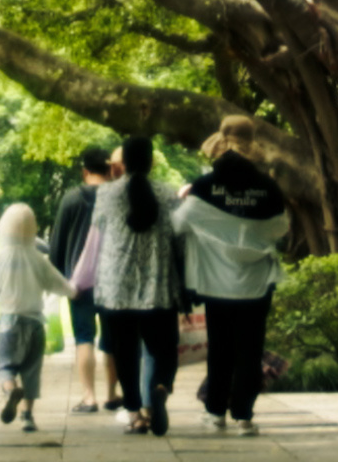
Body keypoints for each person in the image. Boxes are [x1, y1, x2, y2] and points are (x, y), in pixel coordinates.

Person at [177, 119, 294, 435]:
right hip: (256, 285)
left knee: (220, 349)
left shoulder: (203, 187)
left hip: (215, 283)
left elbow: (181, 224)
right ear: (252, 141)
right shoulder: (268, 188)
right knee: (250, 350)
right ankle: (244, 416)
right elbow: (280, 228)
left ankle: (215, 412)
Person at [91, 134, 190, 435]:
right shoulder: (168, 194)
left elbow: (97, 235)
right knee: (164, 349)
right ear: (150, 162)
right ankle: (160, 387)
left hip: (116, 287)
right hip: (158, 285)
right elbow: (180, 239)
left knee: (124, 352)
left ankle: (134, 413)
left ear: (122, 164)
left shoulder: (106, 195)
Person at [0, 201, 72, 432]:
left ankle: (11, 390)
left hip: (9, 321)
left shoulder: (0, 258)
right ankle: (28, 416)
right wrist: (73, 291)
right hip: (35, 323)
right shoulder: (37, 258)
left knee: (4, 366)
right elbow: (57, 283)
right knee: (31, 371)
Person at [47, 149, 116, 411]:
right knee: (112, 340)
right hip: (112, 280)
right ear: (109, 170)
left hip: (79, 283)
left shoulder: (72, 199)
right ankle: (112, 394)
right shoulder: (116, 198)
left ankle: (89, 397)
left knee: (84, 337)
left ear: (85, 171)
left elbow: (57, 244)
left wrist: (57, 279)